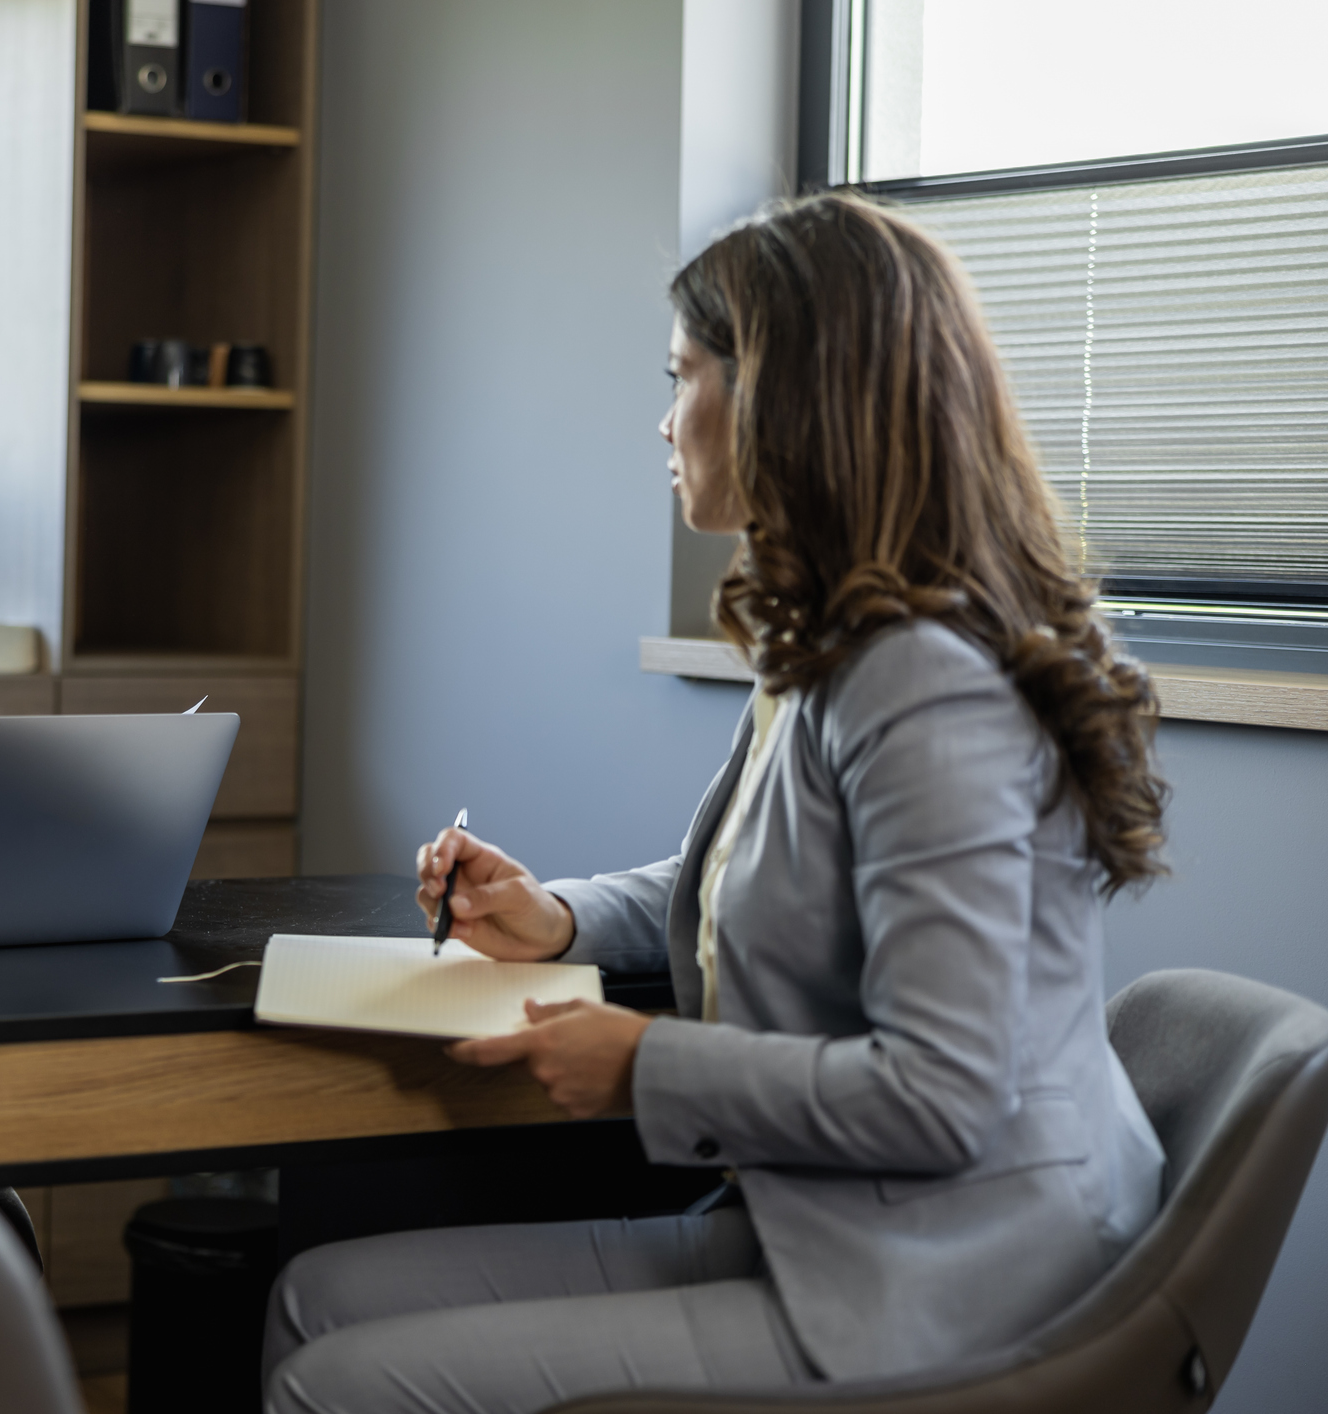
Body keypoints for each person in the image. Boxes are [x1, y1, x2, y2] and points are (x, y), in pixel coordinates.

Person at [262, 192, 1171, 1412]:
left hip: (967, 1288)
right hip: (841, 1226)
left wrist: (648, 1063)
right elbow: (762, 875)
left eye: (682, 371)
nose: (662, 415)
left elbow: (945, 1093)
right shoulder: (843, 638)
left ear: (784, 398)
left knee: (335, 1382)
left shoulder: (924, 683)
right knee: (313, 1295)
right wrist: (559, 919)